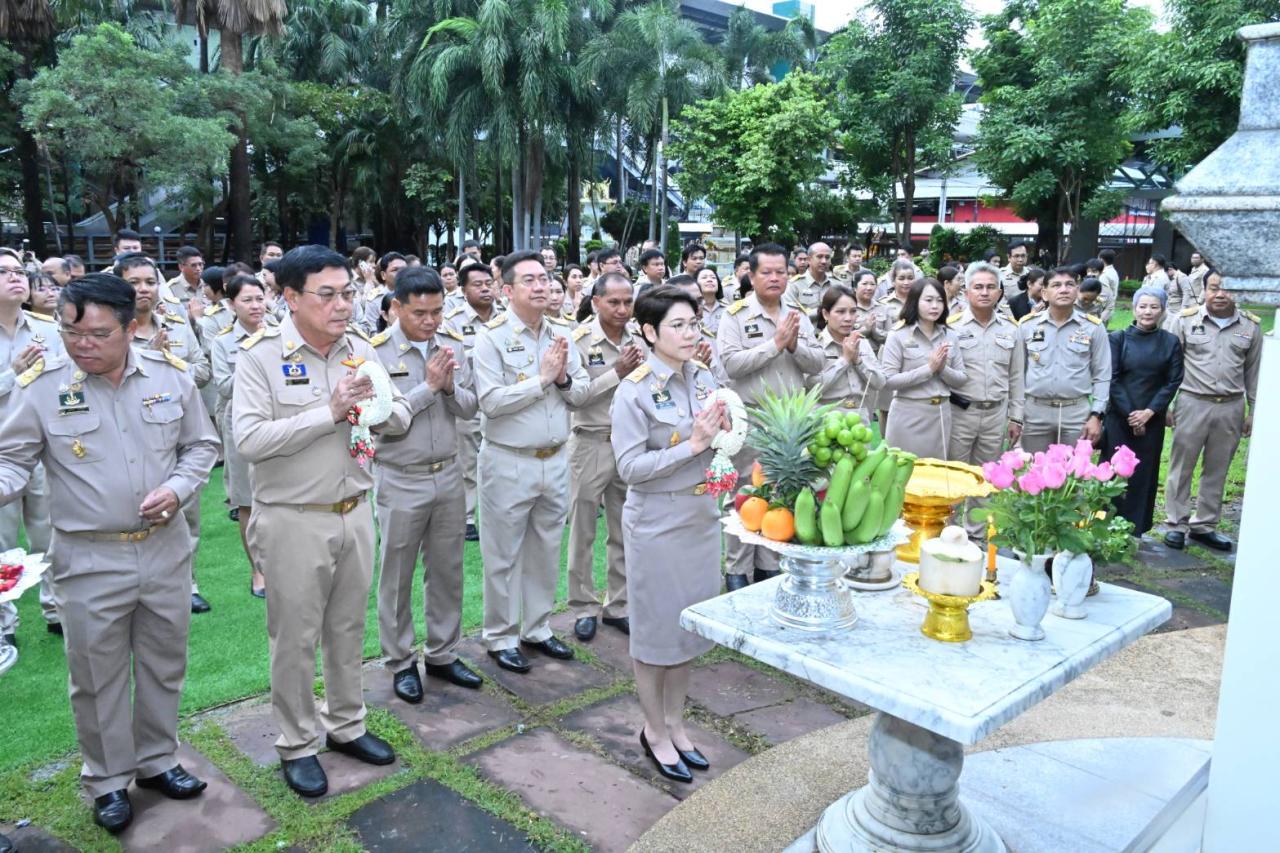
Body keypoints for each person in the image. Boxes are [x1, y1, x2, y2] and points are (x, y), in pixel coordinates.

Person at [0, 273, 219, 833]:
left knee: (163, 662)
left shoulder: (170, 378)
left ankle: (156, 761)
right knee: (96, 675)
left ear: (129, 326)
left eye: (98, 332)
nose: (82, 344)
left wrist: (178, 488)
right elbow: (12, 460)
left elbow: (201, 446)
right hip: (88, 556)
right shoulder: (43, 386)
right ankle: (106, 779)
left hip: (165, 549)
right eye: (72, 331)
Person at [233, 245, 412, 798]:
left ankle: (346, 725)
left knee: (346, 629)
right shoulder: (260, 356)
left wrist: (375, 409)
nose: (342, 305)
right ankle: (297, 743)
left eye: (348, 293)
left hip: (355, 511)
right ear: (290, 297)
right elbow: (249, 440)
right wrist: (329, 412)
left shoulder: (359, 346)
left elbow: (399, 415)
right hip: (292, 519)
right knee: (294, 639)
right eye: (327, 294)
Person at [611, 285, 728, 784]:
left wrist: (721, 448)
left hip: (700, 518)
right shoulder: (633, 390)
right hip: (657, 523)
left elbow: (725, 432)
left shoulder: (704, 377)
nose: (688, 333)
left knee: (687, 629)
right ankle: (653, 730)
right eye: (676, 325)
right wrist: (693, 444)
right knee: (655, 631)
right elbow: (630, 468)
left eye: (693, 323)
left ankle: (677, 723)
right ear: (649, 331)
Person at [370, 266, 484, 702]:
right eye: (420, 313)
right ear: (396, 307)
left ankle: (442, 652)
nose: (431, 321)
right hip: (401, 477)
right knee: (396, 575)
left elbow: (471, 408)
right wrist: (428, 388)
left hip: (448, 474)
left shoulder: (451, 345)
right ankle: (400, 661)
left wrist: (450, 388)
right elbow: (381, 423)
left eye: (437, 311)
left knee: (447, 570)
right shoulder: (376, 353)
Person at [472, 251, 590, 673]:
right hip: (509, 460)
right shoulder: (491, 338)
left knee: (545, 548)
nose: (541, 286)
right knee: (502, 554)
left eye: (544, 278)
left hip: (555, 458)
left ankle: (537, 628)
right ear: (506, 290)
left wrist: (562, 378)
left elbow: (582, 393)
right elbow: (490, 402)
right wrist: (541, 380)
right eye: (529, 281)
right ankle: (501, 636)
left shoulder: (563, 334)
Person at [716, 243, 824, 591]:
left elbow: (818, 363)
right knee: (744, 492)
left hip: (789, 424)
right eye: (767, 272)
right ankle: (737, 568)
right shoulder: (735, 315)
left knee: (783, 491)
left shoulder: (797, 314)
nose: (776, 278)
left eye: (782, 272)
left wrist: (795, 346)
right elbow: (731, 364)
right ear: (751, 275)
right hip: (751, 421)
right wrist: (775, 344)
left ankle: (769, 565)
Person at [116, 253, 214, 614]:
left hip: (175, 429)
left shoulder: (174, 322)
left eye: (149, 281)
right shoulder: (112, 331)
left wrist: (169, 363)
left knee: (186, 512)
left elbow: (204, 369)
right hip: (127, 435)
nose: (143, 289)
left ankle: (186, 584)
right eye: (134, 283)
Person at [566, 272, 644, 643]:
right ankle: (583, 606)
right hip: (590, 441)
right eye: (613, 302)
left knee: (625, 525)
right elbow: (576, 397)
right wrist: (617, 372)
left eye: (627, 301)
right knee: (583, 528)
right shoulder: (578, 340)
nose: (622, 309)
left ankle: (619, 604)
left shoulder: (640, 339)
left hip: (629, 444)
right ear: (595, 301)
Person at [1163, 271, 1261, 552]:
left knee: (1218, 468)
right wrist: (1166, 405)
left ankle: (1204, 525)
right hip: (1192, 402)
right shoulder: (1184, 321)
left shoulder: (1250, 327)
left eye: (1227, 290)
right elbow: (1170, 366)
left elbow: (1254, 373)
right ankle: (1176, 523)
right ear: (1204, 290)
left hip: (1231, 406)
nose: (1220, 295)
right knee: (1181, 466)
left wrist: (1254, 410)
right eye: (1214, 288)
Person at [0, 253, 64, 647]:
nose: (15, 279)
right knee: (2, 543)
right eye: (4, 273)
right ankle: (5, 624)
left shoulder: (47, 329)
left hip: (42, 448)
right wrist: (13, 375)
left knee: (50, 533)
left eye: (20, 272)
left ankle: (57, 609)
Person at [1100, 286, 1183, 536]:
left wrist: (1149, 412)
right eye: (1142, 306)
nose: (1148, 311)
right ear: (1134, 309)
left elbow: (1173, 380)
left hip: (1152, 419)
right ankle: (1104, 525)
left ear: (1163, 310)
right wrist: (1131, 415)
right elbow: (1111, 378)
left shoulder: (1170, 342)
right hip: (1119, 417)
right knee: (1112, 473)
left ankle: (1135, 529)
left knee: (1143, 474)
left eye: (1154, 306)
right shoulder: (1118, 338)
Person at [210, 273, 270, 597]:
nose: (255, 305)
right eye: (247, 300)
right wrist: (255, 363)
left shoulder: (278, 333)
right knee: (246, 500)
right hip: (240, 424)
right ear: (231, 304)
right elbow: (223, 385)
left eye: (260, 298)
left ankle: (280, 564)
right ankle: (257, 570)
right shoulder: (223, 342)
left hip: (278, 422)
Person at [1018, 267, 1111, 454]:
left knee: (1074, 475)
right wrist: (1015, 415)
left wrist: (1096, 415)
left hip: (1076, 414)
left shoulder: (1093, 327)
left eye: (1070, 285)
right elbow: (1017, 373)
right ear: (1044, 293)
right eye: (1056, 285)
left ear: (1077, 290)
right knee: (1034, 475)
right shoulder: (1027, 325)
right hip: (1035, 412)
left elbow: (1103, 374)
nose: (1064, 289)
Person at [445, 263, 502, 541]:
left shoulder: (506, 317)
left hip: (503, 403)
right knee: (467, 463)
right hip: (469, 403)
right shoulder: (453, 321)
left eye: (488, 283)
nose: (484, 288)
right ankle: (467, 517)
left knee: (500, 462)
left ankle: (498, 513)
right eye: (477, 284)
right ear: (463, 289)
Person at [880, 278, 967, 460]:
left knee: (934, 479)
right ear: (915, 301)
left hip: (940, 415)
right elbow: (888, 380)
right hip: (908, 415)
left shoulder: (950, 335)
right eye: (928, 300)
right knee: (902, 478)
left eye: (940, 300)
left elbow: (961, 378)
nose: (935, 306)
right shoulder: (898, 335)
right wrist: (928, 369)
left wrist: (942, 369)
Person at [948, 262, 1024, 468]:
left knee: (987, 479)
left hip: (995, 416)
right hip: (959, 414)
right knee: (954, 476)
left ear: (999, 292)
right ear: (966, 292)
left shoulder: (1011, 329)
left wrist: (1016, 417)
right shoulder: (951, 328)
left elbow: (1016, 376)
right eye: (978, 287)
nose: (984, 292)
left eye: (990, 287)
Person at [811, 285, 884, 424]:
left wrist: (858, 361)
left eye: (853, 312)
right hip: (826, 419)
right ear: (826, 314)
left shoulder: (862, 343)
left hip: (859, 419)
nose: (848, 318)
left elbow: (880, 382)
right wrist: (844, 360)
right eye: (840, 312)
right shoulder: (815, 345)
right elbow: (812, 387)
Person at [869, 259, 918, 427]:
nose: (906, 282)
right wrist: (895, 338)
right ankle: (887, 443)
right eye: (901, 278)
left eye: (910, 278)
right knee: (886, 407)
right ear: (893, 280)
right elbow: (877, 333)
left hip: (917, 358)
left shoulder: (922, 302)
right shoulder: (883, 304)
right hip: (890, 359)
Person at [782, 241, 835, 314]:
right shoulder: (794, 285)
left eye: (827, 257)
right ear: (809, 260)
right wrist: (819, 312)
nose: (824, 261)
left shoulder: (837, 284)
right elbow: (789, 315)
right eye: (819, 257)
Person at [695, 267, 726, 335]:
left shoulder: (728, 309)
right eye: (704, 277)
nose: (709, 280)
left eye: (713, 277)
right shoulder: (692, 309)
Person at [999, 241, 1030, 306]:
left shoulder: (1031, 274)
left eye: (1023, 256)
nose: (1020, 259)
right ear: (1009, 257)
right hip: (1006, 313)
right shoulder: (1000, 275)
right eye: (1017, 256)